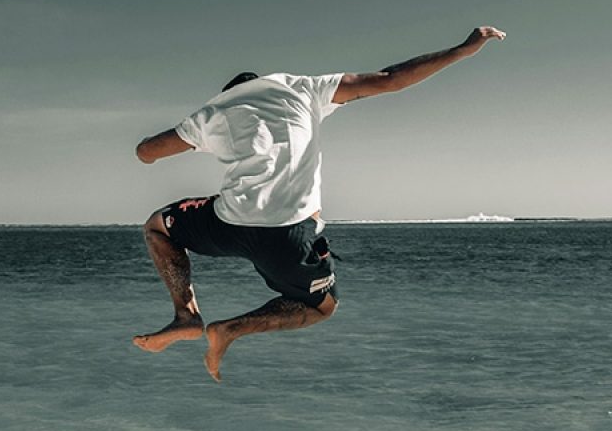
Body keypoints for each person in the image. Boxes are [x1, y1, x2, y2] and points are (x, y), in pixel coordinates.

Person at [134, 26, 505, 381]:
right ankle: (230, 329)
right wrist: (463, 49)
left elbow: (147, 153)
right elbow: (393, 78)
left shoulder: (212, 113)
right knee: (321, 307)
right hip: (288, 232)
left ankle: (186, 315)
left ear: (230, 92)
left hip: (230, 221)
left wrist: (186, 136)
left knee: (158, 226)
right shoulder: (302, 89)